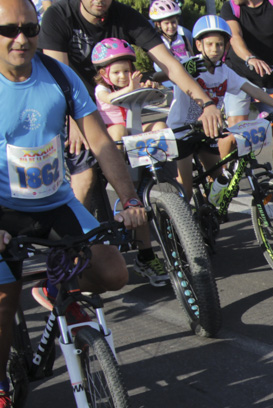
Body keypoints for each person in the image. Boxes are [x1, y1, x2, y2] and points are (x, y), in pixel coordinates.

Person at [0, 0, 146, 408]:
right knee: (5, 299)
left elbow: (101, 141)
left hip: (55, 202)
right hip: (5, 209)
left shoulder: (59, 76)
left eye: (29, 28)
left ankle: (56, 285)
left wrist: (129, 199)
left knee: (113, 272)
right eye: (9, 30)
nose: (21, 38)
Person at [39, 0, 224, 285]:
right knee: (86, 179)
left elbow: (170, 64)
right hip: (76, 112)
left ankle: (167, 214)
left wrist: (207, 103)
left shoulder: (124, 15)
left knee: (159, 139)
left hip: (124, 111)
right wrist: (70, 121)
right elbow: (55, 74)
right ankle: (72, 255)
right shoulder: (58, 16)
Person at [163, 16, 273, 204]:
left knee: (220, 182)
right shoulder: (188, 65)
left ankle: (207, 213)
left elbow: (252, 89)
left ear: (226, 47)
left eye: (219, 45)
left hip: (207, 130)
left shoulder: (225, 71)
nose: (215, 50)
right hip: (181, 132)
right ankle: (179, 226)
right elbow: (162, 73)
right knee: (186, 190)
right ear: (199, 45)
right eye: (209, 45)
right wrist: (185, 68)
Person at [91, 38, 166, 141]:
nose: (123, 76)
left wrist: (150, 87)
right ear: (104, 73)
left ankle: (160, 156)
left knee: (160, 127)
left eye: (126, 71)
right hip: (111, 128)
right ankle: (118, 157)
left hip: (134, 127)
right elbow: (108, 98)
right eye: (116, 72)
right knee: (119, 130)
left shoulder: (131, 85)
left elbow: (143, 90)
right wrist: (130, 89)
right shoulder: (102, 88)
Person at [149, 0, 193, 92]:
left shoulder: (183, 38)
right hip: (169, 81)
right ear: (158, 24)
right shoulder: (158, 42)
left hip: (187, 77)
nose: (171, 26)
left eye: (173, 22)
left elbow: (191, 56)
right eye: (166, 23)